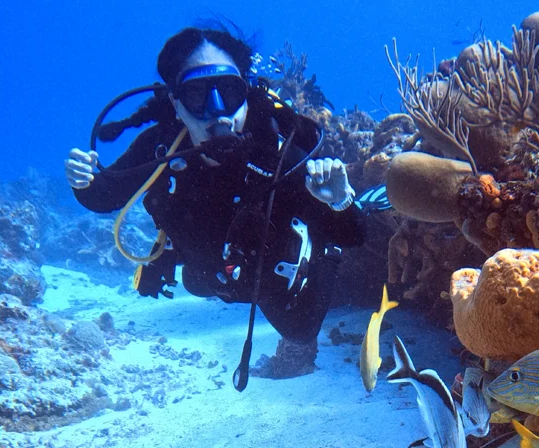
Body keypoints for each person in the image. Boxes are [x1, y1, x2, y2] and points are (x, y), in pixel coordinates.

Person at [65, 27, 365, 382]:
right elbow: (105, 196)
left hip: (270, 274)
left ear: (246, 93)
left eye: (229, 91)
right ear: (176, 103)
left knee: (300, 330)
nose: (217, 112)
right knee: (195, 282)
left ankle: (318, 256)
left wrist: (340, 201)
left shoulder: (278, 151)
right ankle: (176, 253)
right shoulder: (161, 147)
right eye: (197, 95)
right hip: (212, 267)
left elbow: (354, 235)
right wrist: (83, 182)